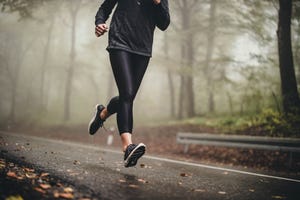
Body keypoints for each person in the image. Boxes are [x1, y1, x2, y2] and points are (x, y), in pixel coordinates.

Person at [88, 0, 170, 168]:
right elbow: (104, 8)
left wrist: (158, 3)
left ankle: (102, 114)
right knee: (127, 94)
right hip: (120, 42)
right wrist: (100, 23)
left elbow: (164, 24)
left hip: (143, 48)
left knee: (129, 95)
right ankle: (127, 147)